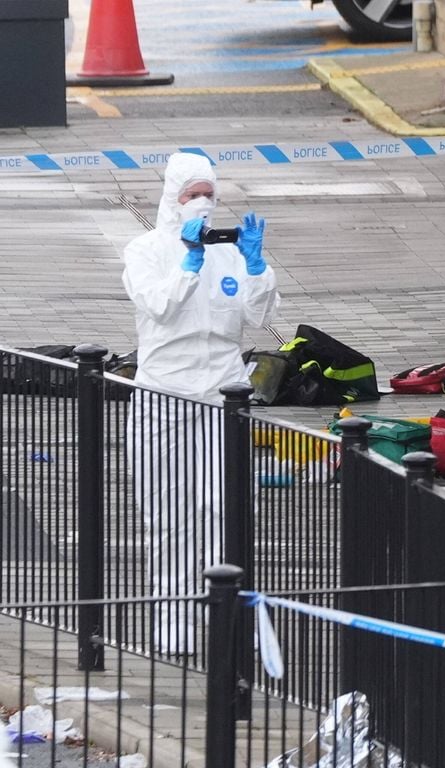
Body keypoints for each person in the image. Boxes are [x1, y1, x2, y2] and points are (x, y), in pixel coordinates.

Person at [122, 152, 280, 654]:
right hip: (163, 394)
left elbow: (258, 315)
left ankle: (227, 610)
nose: (203, 204)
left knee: (223, 506)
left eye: (209, 194)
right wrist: (189, 262)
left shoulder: (229, 252)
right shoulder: (145, 250)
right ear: (172, 198)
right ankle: (174, 615)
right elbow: (160, 306)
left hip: (222, 393)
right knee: (168, 512)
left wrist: (256, 266)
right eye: (192, 195)